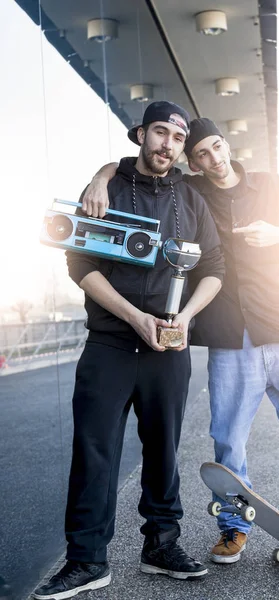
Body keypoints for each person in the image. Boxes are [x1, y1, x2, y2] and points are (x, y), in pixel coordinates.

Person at [82, 116, 279, 566]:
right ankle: (233, 527)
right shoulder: (193, 191)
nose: (213, 159)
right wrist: (98, 178)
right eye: (201, 154)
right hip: (228, 332)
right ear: (195, 163)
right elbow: (132, 164)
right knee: (228, 438)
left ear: (227, 145)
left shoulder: (268, 184)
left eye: (216, 148)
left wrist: (277, 232)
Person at [33, 104, 225, 600]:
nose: (168, 143)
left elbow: (215, 269)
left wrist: (183, 319)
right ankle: (87, 561)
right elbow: (79, 264)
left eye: (178, 137)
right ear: (141, 134)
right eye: (160, 131)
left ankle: (161, 546)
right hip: (111, 343)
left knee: (164, 451)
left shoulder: (190, 197)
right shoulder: (106, 187)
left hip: (168, 344)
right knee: (95, 452)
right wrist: (133, 317)